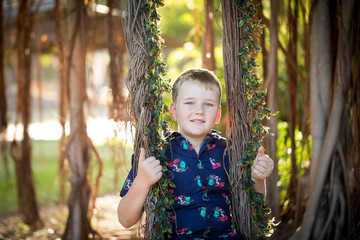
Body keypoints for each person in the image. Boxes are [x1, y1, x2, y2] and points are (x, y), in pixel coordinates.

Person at [118, 68, 274, 239]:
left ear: (217, 114)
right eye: (190, 103)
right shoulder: (156, 153)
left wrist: (259, 178)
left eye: (208, 104)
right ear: (174, 110)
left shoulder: (229, 152)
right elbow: (125, 219)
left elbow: (254, 210)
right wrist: (142, 181)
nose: (199, 110)